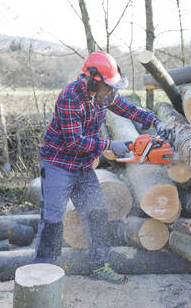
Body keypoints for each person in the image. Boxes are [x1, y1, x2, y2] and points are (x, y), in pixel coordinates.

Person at [34, 50, 172, 284]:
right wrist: (111, 144)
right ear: (93, 81)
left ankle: (99, 266)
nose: (112, 92)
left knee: (97, 213)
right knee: (53, 219)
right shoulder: (71, 97)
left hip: (83, 166)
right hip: (58, 164)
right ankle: (42, 274)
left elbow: (129, 109)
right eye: (108, 87)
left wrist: (155, 121)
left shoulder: (104, 95)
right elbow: (74, 142)